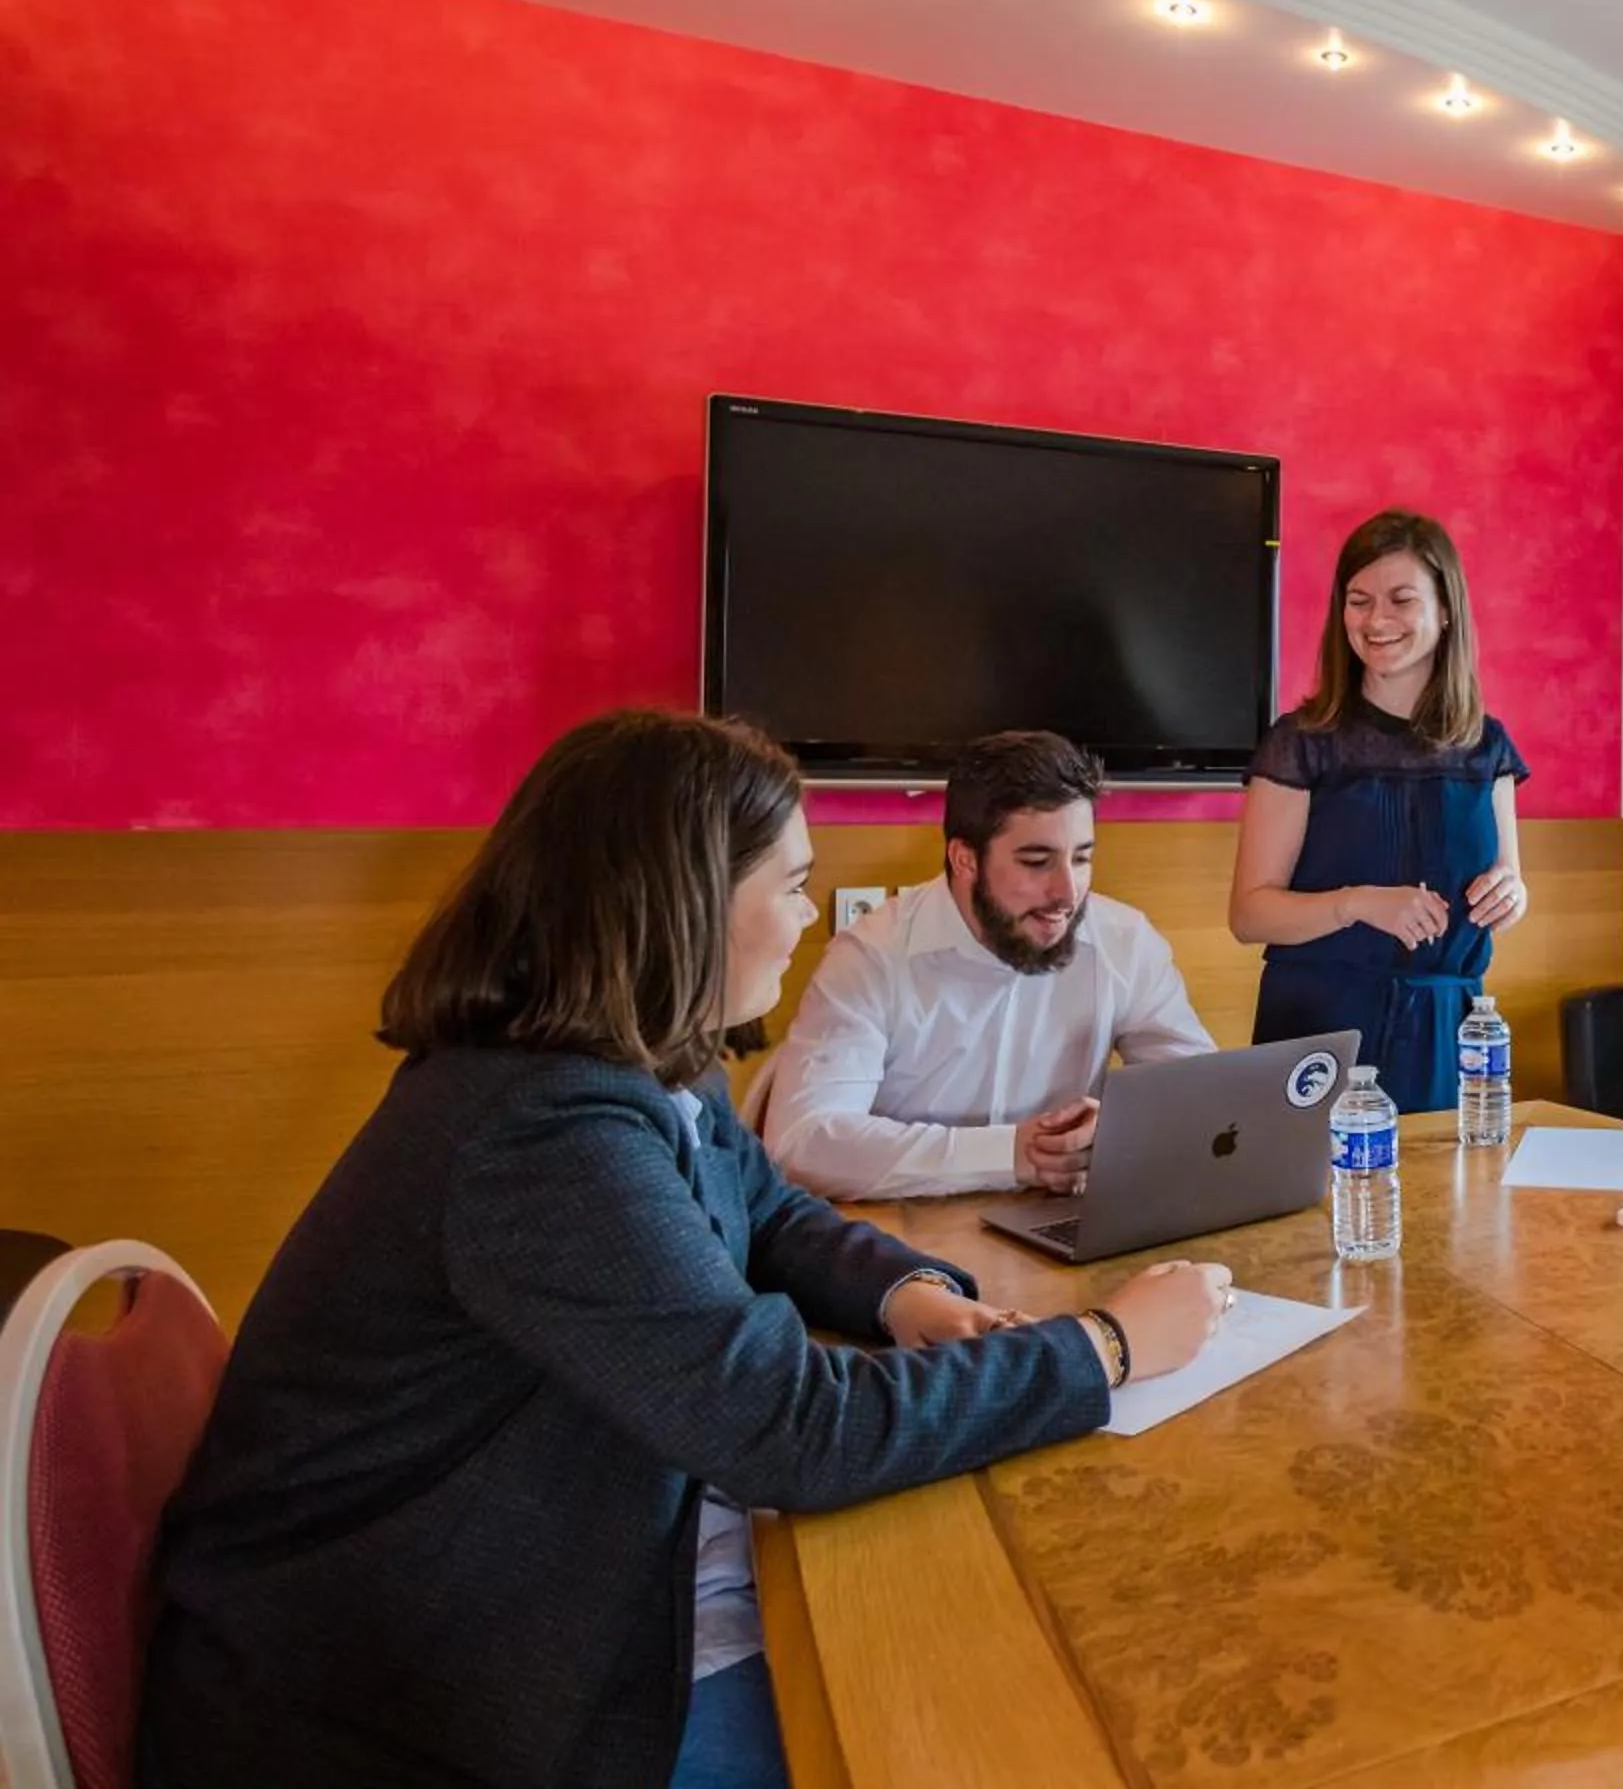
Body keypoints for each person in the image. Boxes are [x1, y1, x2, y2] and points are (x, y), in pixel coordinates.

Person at [137, 711, 1232, 1789]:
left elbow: (763, 1206)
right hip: (424, 1685)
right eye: (792, 884)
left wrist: (903, 1290)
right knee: (961, 1723)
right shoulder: (540, 1131)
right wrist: (1105, 1344)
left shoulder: (636, 1058)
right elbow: (793, 1428)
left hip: (554, 1557)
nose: (809, 917)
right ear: (690, 901)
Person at [766, 730, 1214, 1200]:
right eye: (1036, 861)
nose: (1067, 893)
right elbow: (803, 1142)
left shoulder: (1125, 941)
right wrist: (1014, 1154)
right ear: (964, 860)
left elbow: (1203, 1095)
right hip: (906, 1244)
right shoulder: (872, 956)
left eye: (1081, 858)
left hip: (1065, 1229)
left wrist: (1127, 1130)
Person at [1228, 509, 1529, 1109]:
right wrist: (1358, 903)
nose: (1376, 620)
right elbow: (1249, 915)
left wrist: (1513, 895)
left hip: (1450, 1030)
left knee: (1445, 1202)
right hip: (1322, 1028)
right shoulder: (1303, 742)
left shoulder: (1485, 745)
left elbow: (1509, 887)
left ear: (1445, 611)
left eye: (1400, 599)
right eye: (1359, 601)